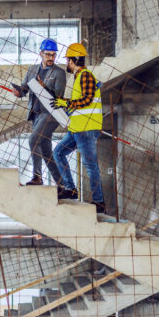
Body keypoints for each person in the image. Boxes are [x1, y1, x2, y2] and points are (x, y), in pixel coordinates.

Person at [49, 43, 106, 214]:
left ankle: (99, 201)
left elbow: (87, 99)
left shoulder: (85, 75)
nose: (67, 63)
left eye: (68, 60)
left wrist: (66, 102)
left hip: (86, 129)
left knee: (90, 165)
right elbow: (78, 103)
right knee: (58, 153)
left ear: (74, 60)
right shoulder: (78, 77)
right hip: (77, 129)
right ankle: (71, 189)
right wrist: (63, 104)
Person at [11, 38, 67, 189]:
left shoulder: (59, 73)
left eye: (53, 55)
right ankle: (63, 185)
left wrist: (43, 87)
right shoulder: (32, 70)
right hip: (36, 115)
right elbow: (25, 88)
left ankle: (37, 177)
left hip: (50, 114)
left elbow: (58, 97)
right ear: (41, 53)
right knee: (47, 152)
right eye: (47, 54)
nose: (50, 58)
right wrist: (19, 92)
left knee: (33, 140)